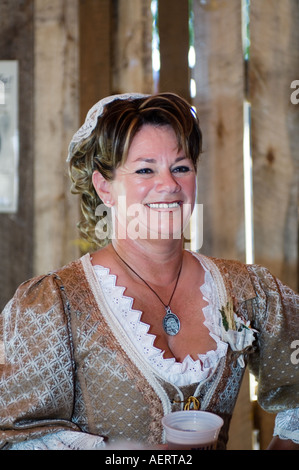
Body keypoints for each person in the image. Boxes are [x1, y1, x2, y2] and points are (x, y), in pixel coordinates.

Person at [0, 92, 298, 450]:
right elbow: (16, 438)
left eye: (181, 167)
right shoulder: (55, 304)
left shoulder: (247, 288)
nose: (169, 185)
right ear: (104, 187)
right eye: (145, 169)